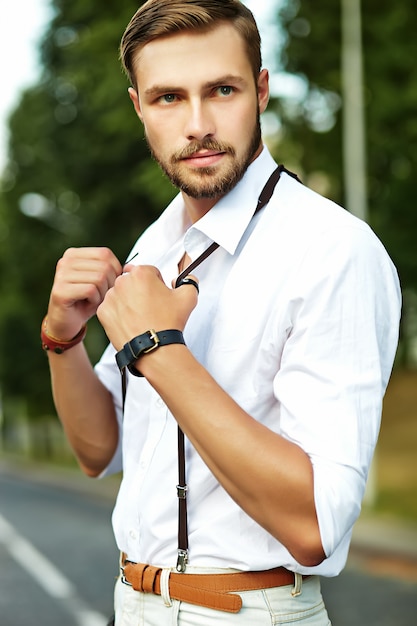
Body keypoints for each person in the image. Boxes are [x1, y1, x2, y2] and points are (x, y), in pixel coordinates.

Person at [41, 1, 401, 624]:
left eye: (222, 90)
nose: (198, 124)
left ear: (261, 90)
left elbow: (314, 524)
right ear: (139, 108)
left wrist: (158, 347)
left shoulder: (332, 251)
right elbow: (99, 450)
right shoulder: (155, 245)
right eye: (169, 98)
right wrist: (62, 339)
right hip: (132, 601)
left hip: (249, 610)